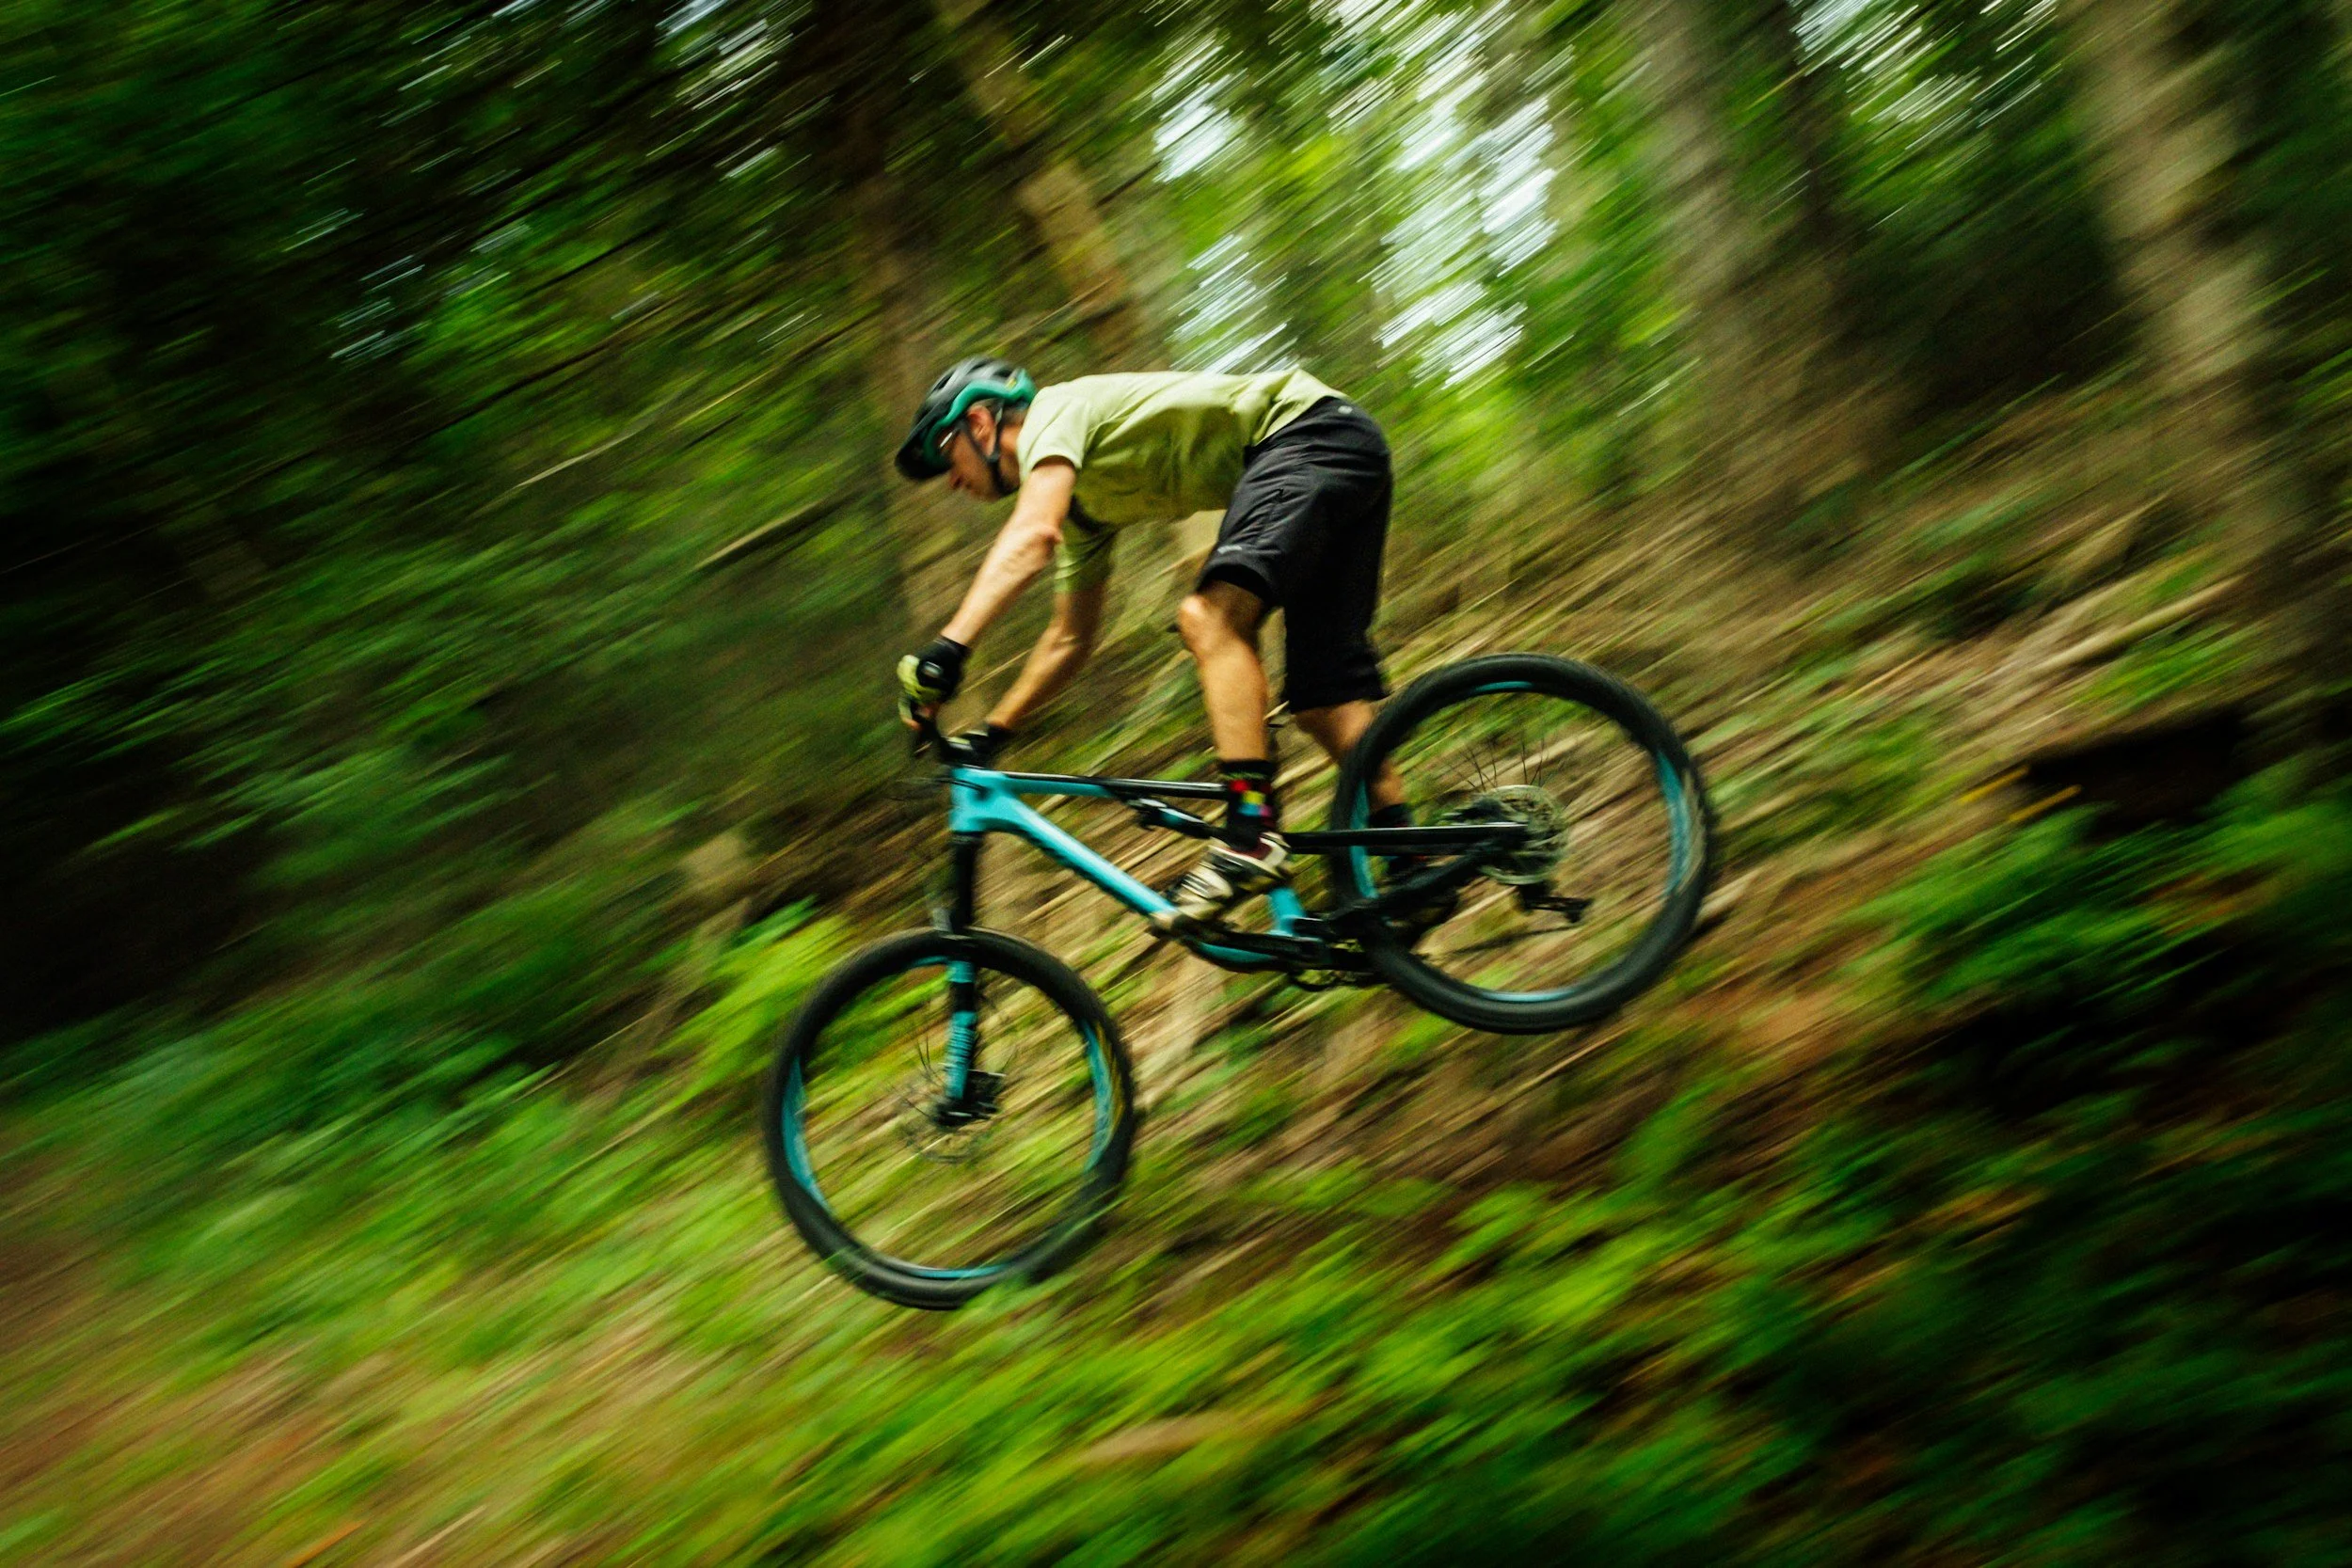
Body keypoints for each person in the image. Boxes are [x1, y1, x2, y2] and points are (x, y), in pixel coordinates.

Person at [892, 356, 1408, 933]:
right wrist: (994, 732)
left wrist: (948, 649)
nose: (953, 480)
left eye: (947, 455)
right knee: (1322, 703)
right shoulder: (1086, 508)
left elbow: (1033, 536)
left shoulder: (1054, 413)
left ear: (982, 425)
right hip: (1341, 447)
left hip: (1305, 436)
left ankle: (1250, 834)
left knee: (1209, 619)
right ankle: (1412, 864)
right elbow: (1069, 637)